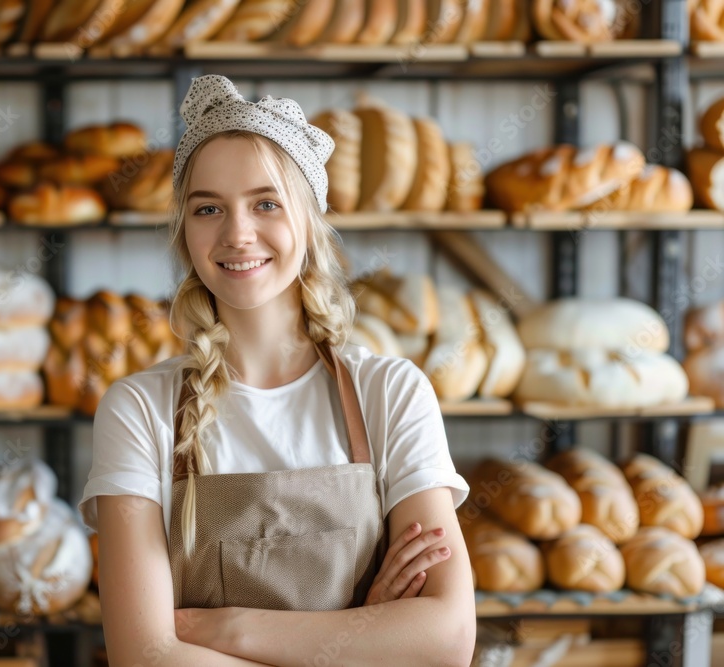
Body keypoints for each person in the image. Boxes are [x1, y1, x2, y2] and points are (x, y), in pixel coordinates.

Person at [78, 74, 476, 666]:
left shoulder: (389, 393)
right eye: (208, 208)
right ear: (185, 234)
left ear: (309, 221)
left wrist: (233, 630)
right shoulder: (140, 409)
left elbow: (444, 640)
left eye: (266, 203)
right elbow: (145, 657)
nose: (237, 234)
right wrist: (360, 632)